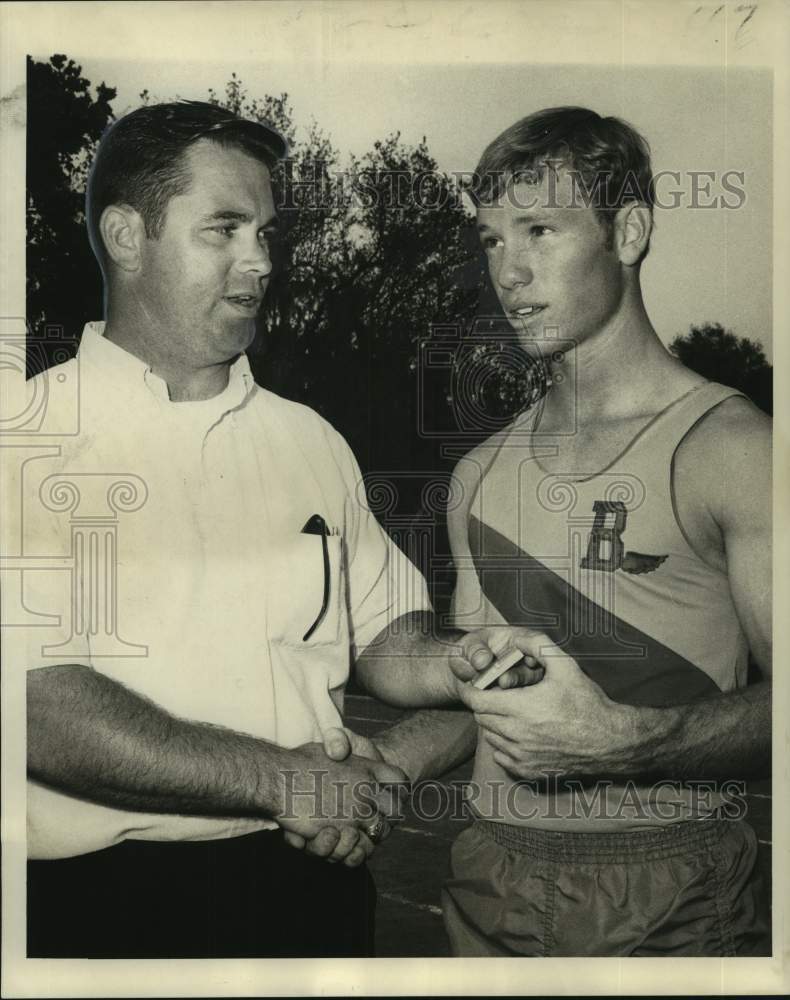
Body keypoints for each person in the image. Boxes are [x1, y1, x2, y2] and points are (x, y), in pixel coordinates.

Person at [18, 100, 523, 959]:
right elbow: (37, 707)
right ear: (125, 235)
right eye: (224, 229)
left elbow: (387, 637)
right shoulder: (25, 435)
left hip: (315, 887)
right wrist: (283, 780)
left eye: (266, 231)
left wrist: (458, 660)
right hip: (99, 916)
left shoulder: (309, 438)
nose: (260, 261)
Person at [429, 106, 772, 957]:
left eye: (540, 229)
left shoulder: (733, 451)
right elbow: (498, 712)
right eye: (491, 240)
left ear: (629, 231)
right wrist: (390, 757)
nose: (509, 269)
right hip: (489, 880)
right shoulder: (476, 474)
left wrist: (627, 746)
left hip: (668, 893)